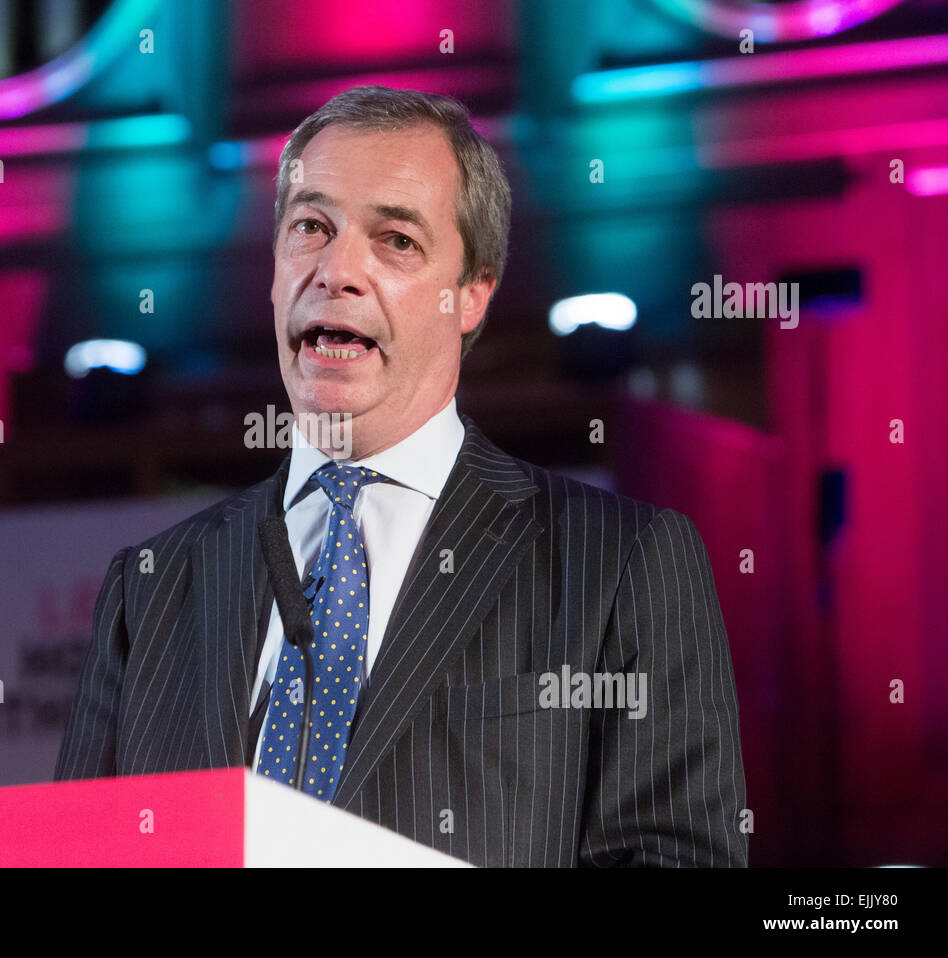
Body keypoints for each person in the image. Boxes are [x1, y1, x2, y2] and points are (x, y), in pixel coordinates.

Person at [56, 85, 748, 867]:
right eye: (311, 228)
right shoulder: (149, 591)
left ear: (474, 294)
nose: (337, 270)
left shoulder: (623, 563)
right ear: (275, 276)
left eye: (396, 242)